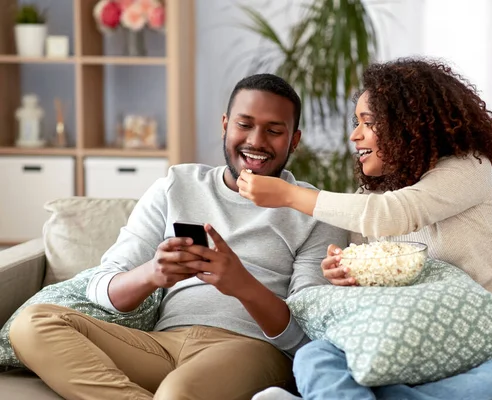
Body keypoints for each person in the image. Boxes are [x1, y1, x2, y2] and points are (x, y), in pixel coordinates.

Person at [9, 74, 348, 400]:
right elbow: (102, 287)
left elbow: (307, 337)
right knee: (33, 324)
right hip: (161, 344)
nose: (256, 141)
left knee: (177, 394)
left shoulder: (316, 210)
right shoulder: (177, 185)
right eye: (244, 125)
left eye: (274, 131)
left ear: (294, 140)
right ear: (225, 125)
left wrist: (241, 284)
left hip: (250, 349)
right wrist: (152, 274)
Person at [239, 59, 492, 400]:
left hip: (473, 346)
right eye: (356, 123)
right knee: (316, 355)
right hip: (398, 342)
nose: (354, 136)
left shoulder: (468, 166)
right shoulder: (370, 195)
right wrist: (345, 274)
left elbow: (395, 214)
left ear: (408, 126)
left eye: (367, 123)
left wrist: (290, 194)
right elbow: (371, 277)